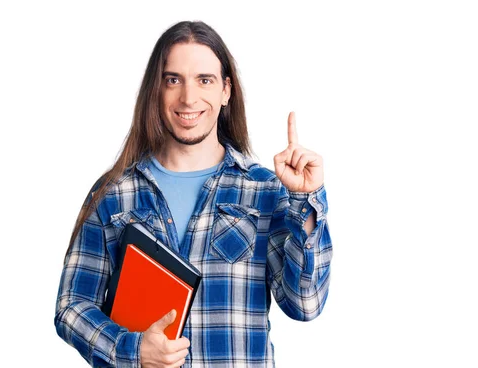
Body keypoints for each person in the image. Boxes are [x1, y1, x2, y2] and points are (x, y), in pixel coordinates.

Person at [54, 20, 332, 368]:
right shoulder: (113, 194)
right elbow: (71, 308)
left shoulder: (264, 191)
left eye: (205, 80)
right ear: (157, 89)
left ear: (226, 91)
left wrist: (305, 202)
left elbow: (305, 303)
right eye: (174, 80)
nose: (188, 98)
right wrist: (133, 349)